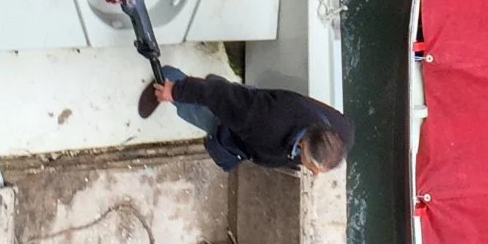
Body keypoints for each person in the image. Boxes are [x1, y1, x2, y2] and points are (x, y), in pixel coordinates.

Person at [139, 67, 353, 175]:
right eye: (313, 168)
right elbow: (220, 97)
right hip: (239, 121)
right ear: (304, 145)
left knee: (234, 98)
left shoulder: (343, 132)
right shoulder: (262, 121)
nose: (314, 174)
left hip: (252, 113)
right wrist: (175, 91)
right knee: (201, 107)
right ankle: (167, 79)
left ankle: (216, 84)